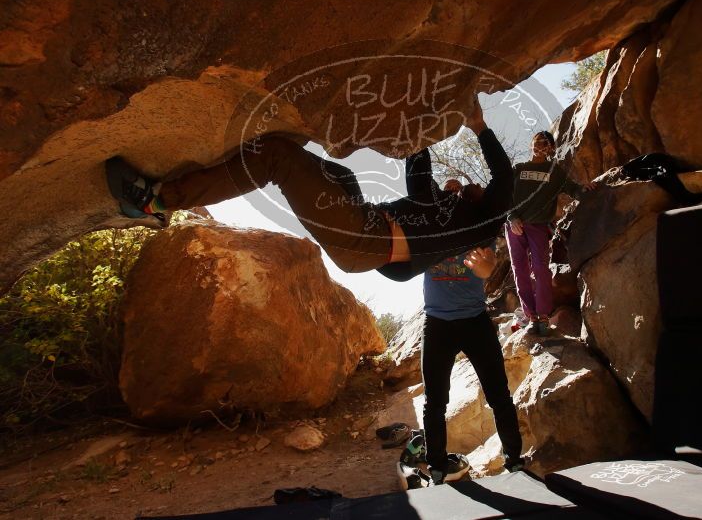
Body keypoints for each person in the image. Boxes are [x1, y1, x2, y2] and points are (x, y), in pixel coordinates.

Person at [105, 98, 512, 282]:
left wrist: (479, 128)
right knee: (345, 178)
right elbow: (418, 174)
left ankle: (155, 201)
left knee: (277, 156)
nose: (474, 184)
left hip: (364, 240)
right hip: (367, 222)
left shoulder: (482, 225)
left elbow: (503, 181)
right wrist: (421, 129)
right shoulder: (444, 209)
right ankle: (163, 203)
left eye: (479, 188)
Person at [420, 208, 524, 484]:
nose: (453, 193)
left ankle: (514, 460)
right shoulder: (429, 233)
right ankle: (438, 468)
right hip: (437, 323)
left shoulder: (479, 232)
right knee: (435, 401)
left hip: (475, 321)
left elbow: (488, 266)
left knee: (499, 394)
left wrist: (487, 269)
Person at [506, 131, 594, 334]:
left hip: (538, 226)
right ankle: (530, 316)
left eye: (546, 143)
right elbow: (505, 197)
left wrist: (586, 189)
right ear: (531, 145)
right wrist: (511, 217)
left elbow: (573, 189)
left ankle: (543, 315)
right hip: (515, 226)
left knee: (541, 269)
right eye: (537, 142)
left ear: (551, 149)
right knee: (520, 270)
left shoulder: (555, 172)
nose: (541, 146)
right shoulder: (518, 169)